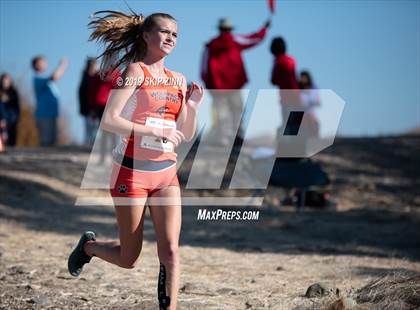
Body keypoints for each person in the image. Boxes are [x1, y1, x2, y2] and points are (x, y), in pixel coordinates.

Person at [67, 11, 203, 310]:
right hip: (131, 175)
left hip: (166, 174)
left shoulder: (178, 79)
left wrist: (192, 107)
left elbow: (186, 132)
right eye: (165, 32)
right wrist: (151, 129)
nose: (170, 38)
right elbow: (110, 120)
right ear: (145, 35)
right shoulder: (135, 72)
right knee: (129, 259)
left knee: (170, 251)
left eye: (175, 34)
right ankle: (89, 247)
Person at [201, 17, 270, 146]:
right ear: (230, 29)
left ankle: (225, 138)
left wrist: (208, 84)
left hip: (217, 87)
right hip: (233, 85)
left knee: (222, 113)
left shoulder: (210, 45)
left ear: (219, 29)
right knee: (236, 110)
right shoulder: (234, 41)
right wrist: (265, 28)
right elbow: (254, 38)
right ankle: (236, 136)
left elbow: (204, 68)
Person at [31, 55, 68, 146]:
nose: (45, 63)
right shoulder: (37, 78)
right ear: (36, 64)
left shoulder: (43, 78)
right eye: (42, 62)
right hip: (44, 115)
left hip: (51, 114)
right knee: (46, 143)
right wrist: (62, 65)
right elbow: (54, 77)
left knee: (53, 143)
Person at [270, 36, 302, 137]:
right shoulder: (291, 60)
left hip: (285, 97)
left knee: (287, 122)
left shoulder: (277, 62)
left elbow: (273, 80)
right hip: (295, 95)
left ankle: (289, 146)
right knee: (295, 123)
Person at [78, 58, 99, 146]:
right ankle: (89, 146)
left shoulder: (94, 78)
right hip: (89, 108)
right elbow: (83, 95)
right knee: (90, 130)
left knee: (94, 130)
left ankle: (91, 146)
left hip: (94, 107)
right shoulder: (86, 79)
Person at [0, 73, 20, 146]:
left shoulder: (14, 92)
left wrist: (16, 118)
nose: (5, 81)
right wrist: (2, 119)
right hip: (2, 119)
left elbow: (16, 107)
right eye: (4, 79)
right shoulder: (1, 92)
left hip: (12, 120)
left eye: (7, 79)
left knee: (12, 139)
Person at [299, 70, 320, 138]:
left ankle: (314, 138)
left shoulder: (313, 87)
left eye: (304, 77)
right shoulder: (298, 87)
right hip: (300, 110)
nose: (303, 79)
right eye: (301, 77)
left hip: (310, 110)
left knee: (313, 123)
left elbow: (317, 100)